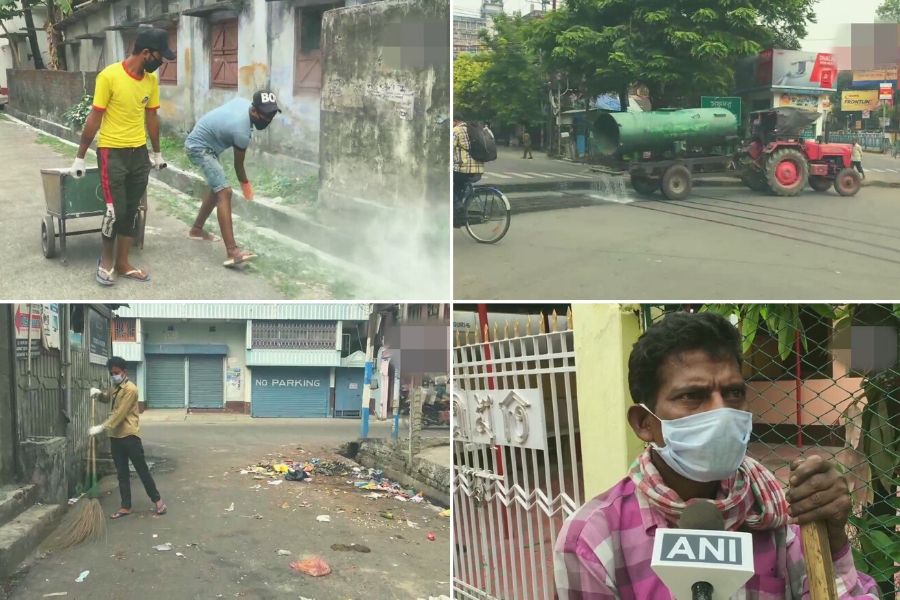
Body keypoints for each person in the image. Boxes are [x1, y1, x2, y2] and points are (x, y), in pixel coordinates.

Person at [555, 311, 877, 599]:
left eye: (733, 393)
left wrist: (831, 541)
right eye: (692, 396)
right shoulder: (594, 539)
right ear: (645, 424)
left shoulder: (778, 512)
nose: (721, 413)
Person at [71, 26, 174, 286]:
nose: (161, 63)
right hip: (111, 153)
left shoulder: (150, 81)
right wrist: (80, 156)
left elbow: (151, 117)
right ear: (147, 53)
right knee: (113, 211)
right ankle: (106, 261)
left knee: (130, 211)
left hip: (138, 154)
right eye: (160, 58)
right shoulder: (109, 76)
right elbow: (95, 117)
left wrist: (157, 152)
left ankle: (123, 262)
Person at [184, 90, 282, 267]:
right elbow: (238, 166)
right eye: (266, 115)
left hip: (205, 143)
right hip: (198, 147)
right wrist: (246, 186)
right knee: (224, 192)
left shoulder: (244, 102)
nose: (269, 119)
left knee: (216, 189)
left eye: (273, 114)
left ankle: (196, 230)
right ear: (253, 111)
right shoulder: (241, 130)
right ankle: (232, 251)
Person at [89, 357, 167, 520]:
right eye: (112, 373)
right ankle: (126, 506)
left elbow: (120, 413)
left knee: (142, 470)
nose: (114, 376)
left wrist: (102, 427)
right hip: (115, 437)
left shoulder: (131, 389)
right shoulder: (115, 387)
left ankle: (158, 501)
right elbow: (107, 398)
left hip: (129, 437)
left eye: (116, 373)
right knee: (122, 473)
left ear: (124, 372)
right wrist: (98, 394)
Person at [453, 117, 484, 221]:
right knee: (459, 187)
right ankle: (458, 217)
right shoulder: (474, 130)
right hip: (478, 170)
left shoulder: (456, 130)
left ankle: (458, 207)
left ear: (455, 121)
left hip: (463, 169)